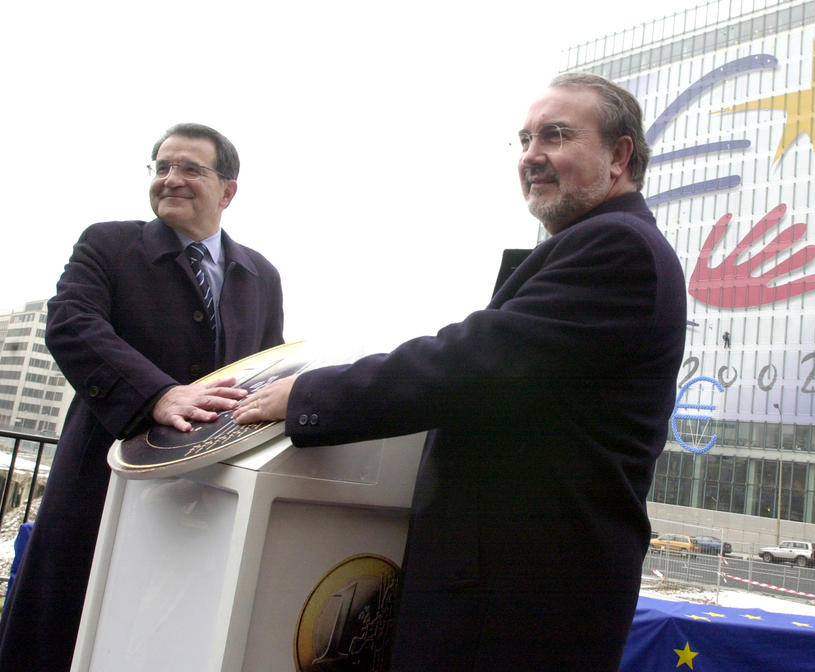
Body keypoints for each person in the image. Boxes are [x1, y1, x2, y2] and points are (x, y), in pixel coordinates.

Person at [234, 73, 686, 671]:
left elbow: (471, 365)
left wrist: (305, 394)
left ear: (619, 155)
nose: (532, 156)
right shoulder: (597, 245)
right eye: (524, 140)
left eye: (556, 135)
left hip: (520, 609)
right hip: (509, 599)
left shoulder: (618, 248)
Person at [0, 123, 285, 672]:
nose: (171, 179)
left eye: (190, 169)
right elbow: (72, 325)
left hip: (201, 496)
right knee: (60, 628)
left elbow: (262, 371)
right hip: (100, 480)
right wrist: (158, 394)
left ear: (228, 190)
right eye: (161, 167)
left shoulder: (260, 276)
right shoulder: (107, 243)